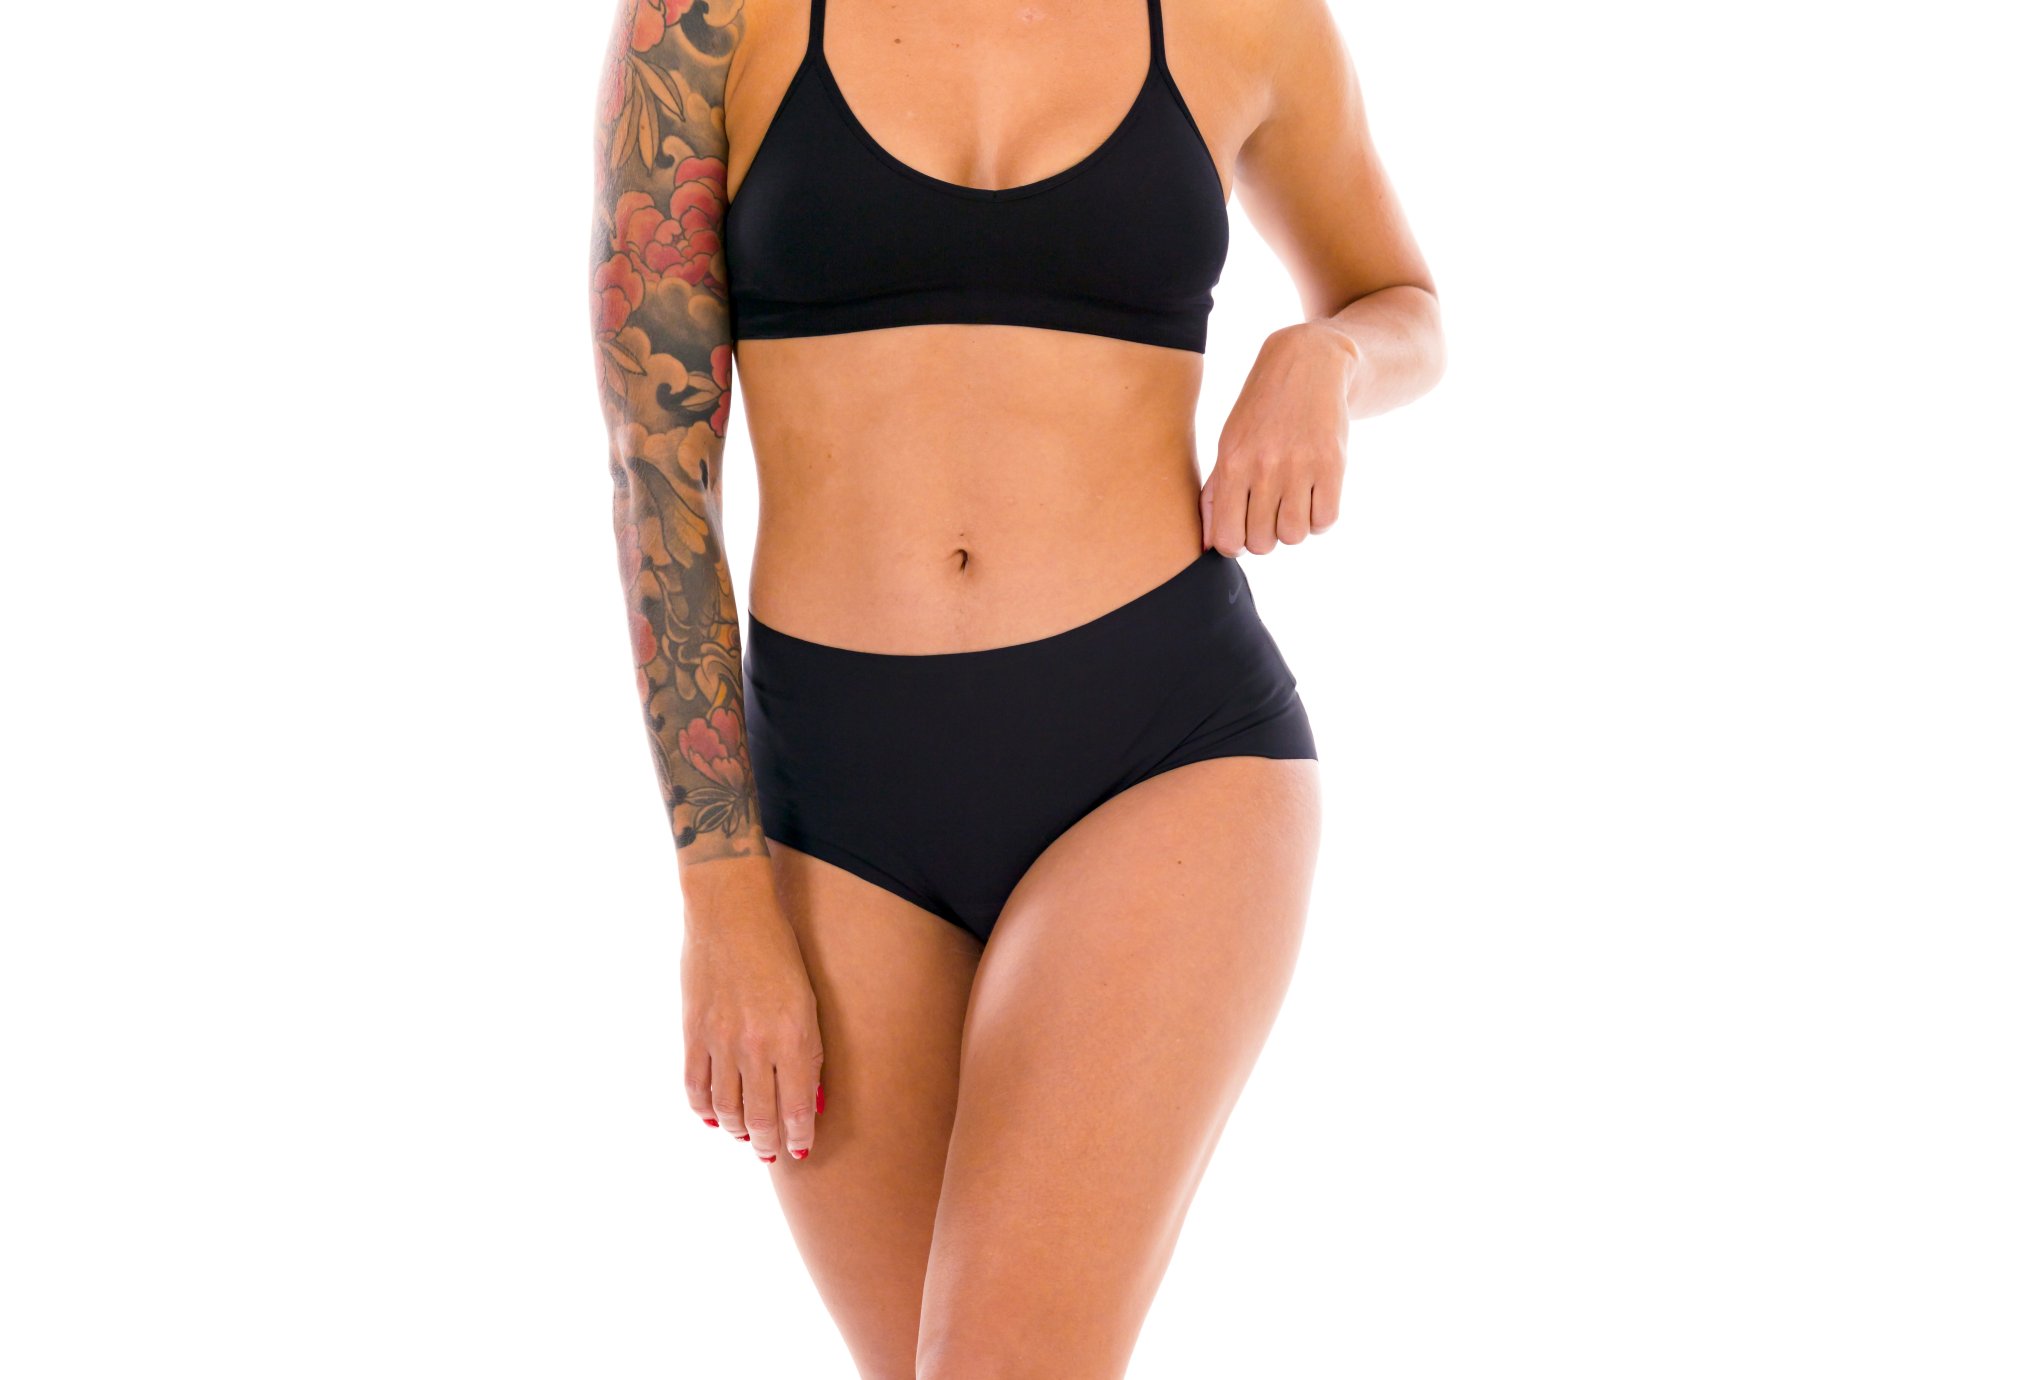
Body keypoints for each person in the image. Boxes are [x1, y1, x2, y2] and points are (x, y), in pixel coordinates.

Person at [591, 0, 1443, 1373]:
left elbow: (1402, 302)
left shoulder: (1242, 17)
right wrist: (721, 901)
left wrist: (1324, 359)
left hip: (1161, 750)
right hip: (833, 808)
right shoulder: (708, 20)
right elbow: (656, 473)